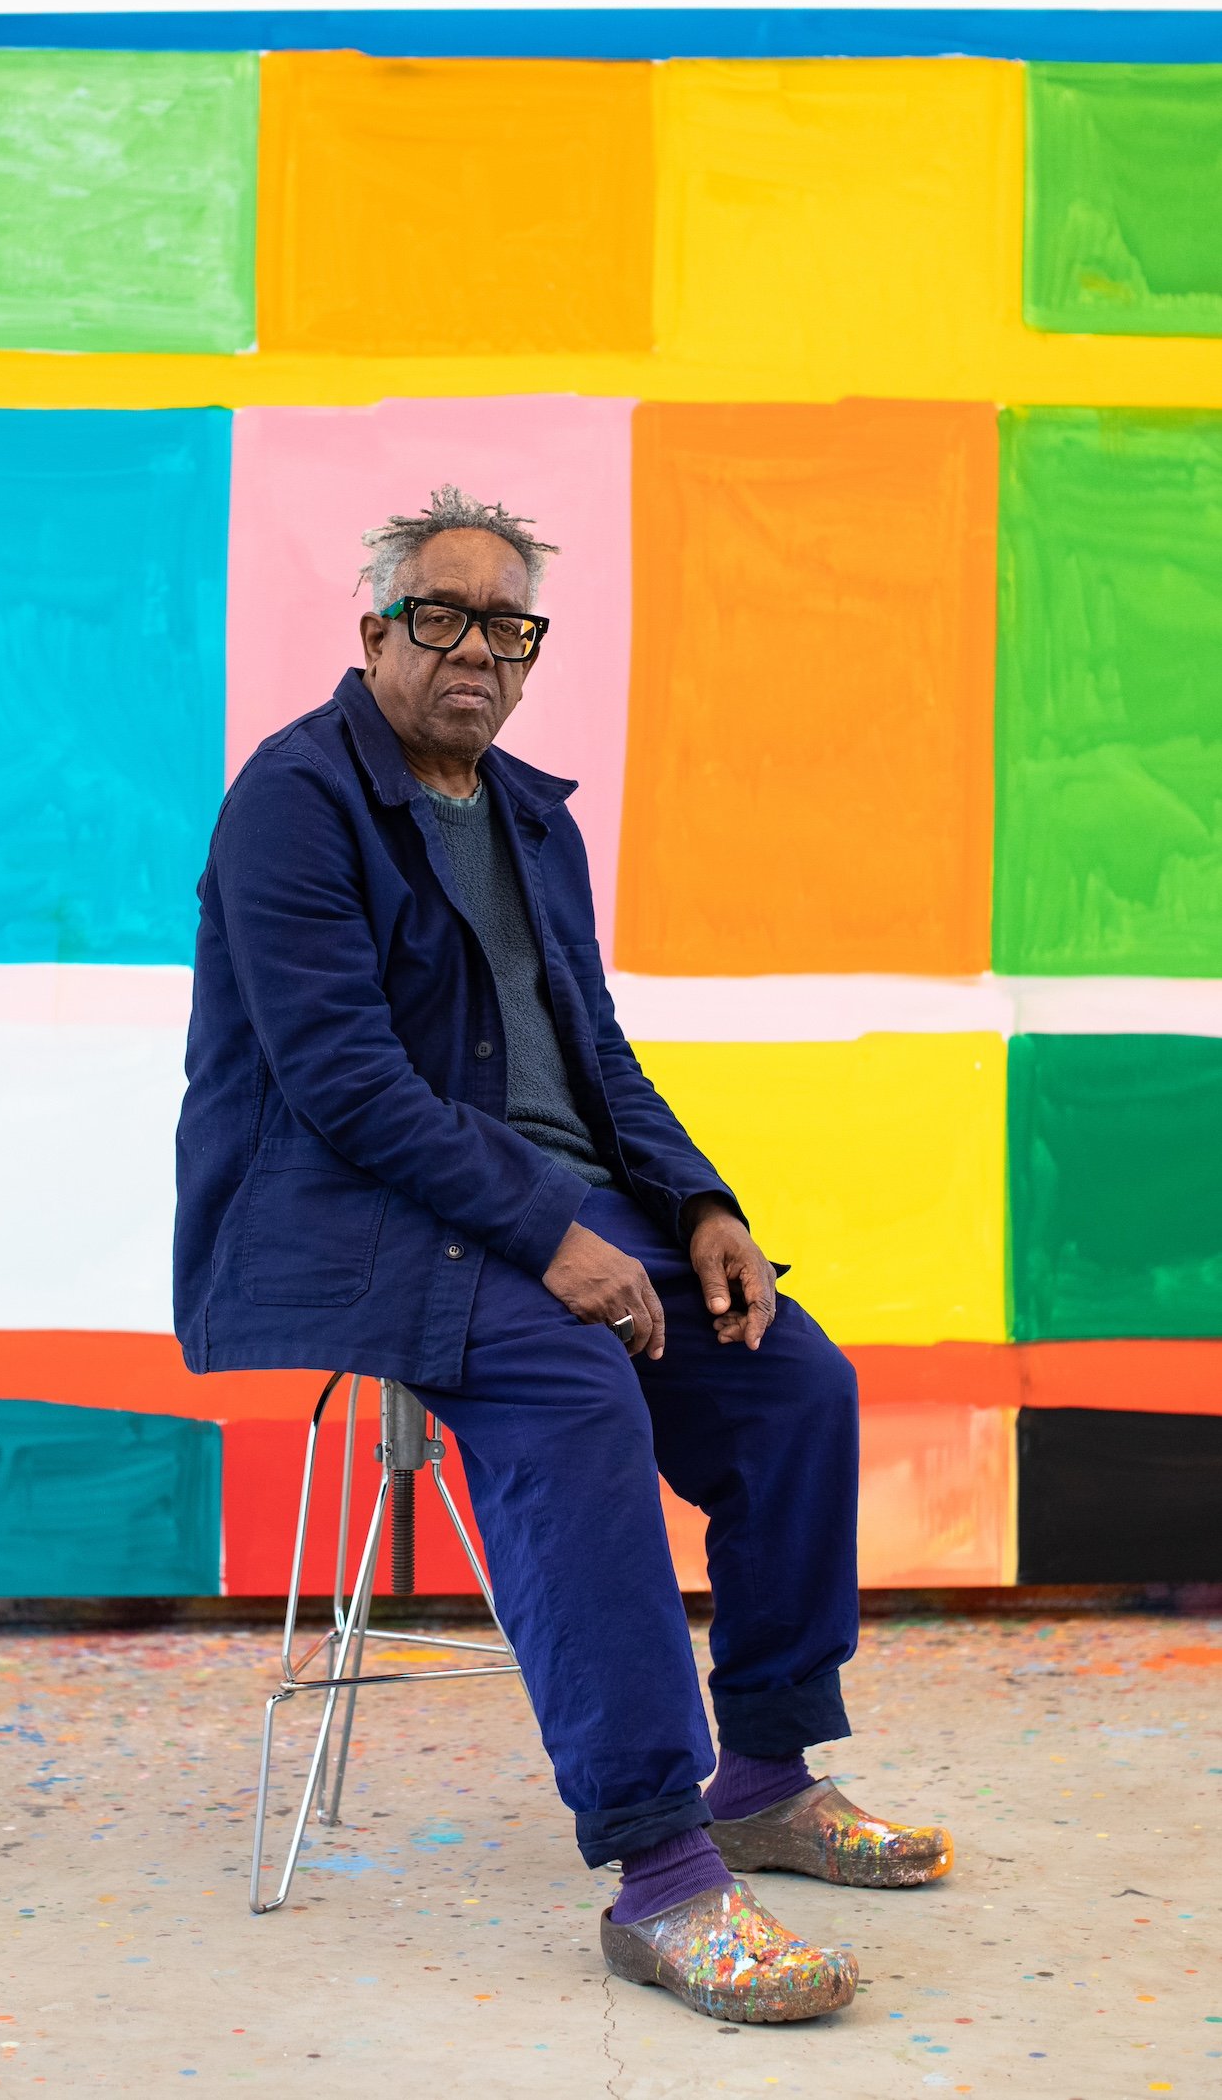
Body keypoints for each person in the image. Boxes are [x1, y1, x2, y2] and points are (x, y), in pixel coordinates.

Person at [174, 486, 952, 2024]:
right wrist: (547, 1234)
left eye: (506, 625)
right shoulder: (294, 798)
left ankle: (767, 1775)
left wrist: (704, 1207)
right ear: (375, 630)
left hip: (564, 1211)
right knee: (577, 1396)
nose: (476, 648)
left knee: (796, 1382)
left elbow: (597, 1052)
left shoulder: (532, 812)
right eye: (441, 615)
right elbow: (341, 1078)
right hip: (368, 1219)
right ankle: (664, 1873)